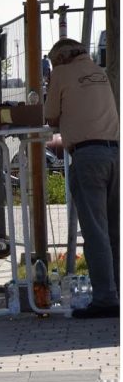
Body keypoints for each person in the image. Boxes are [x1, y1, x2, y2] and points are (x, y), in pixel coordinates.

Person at [44, 38, 119, 318]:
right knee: (116, 231)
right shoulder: (100, 72)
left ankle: (105, 299)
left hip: (87, 157)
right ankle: (117, 291)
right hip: (115, 153)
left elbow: (50, 116)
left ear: (59, 58)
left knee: (96, 233)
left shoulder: (61, 73)